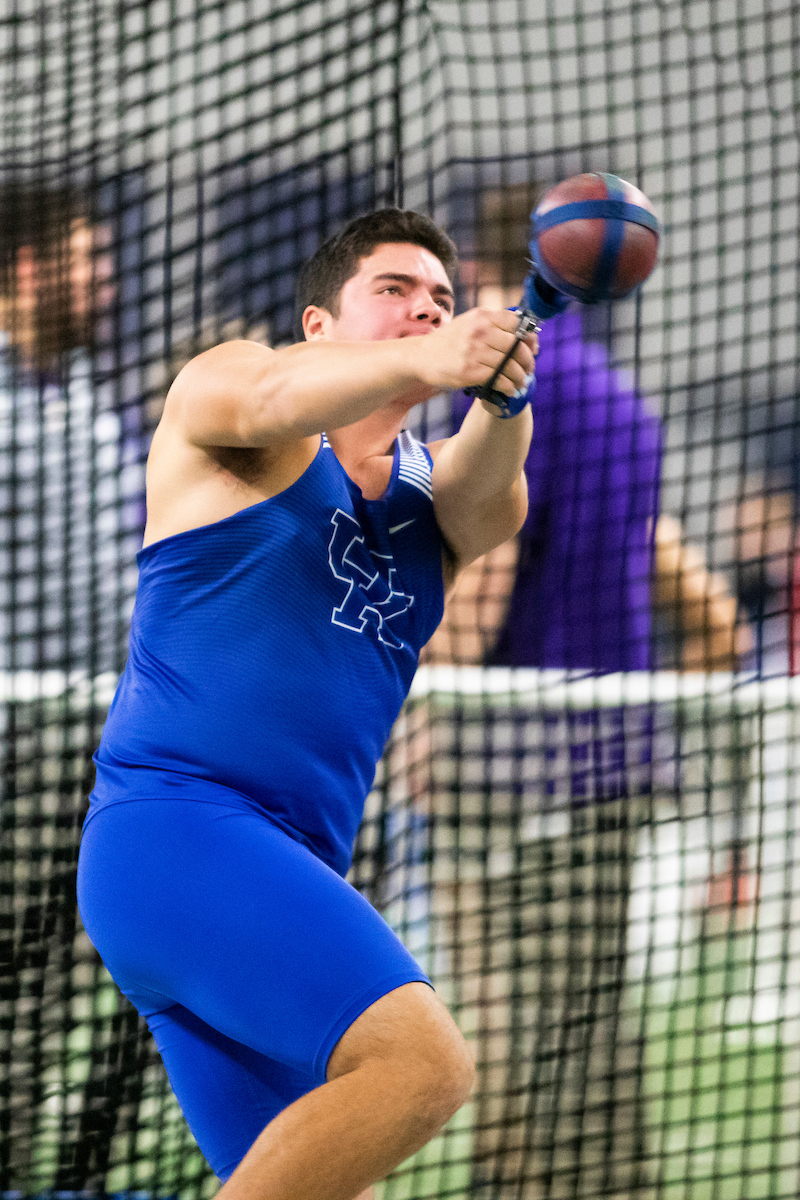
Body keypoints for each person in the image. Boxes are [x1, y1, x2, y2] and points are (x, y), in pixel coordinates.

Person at [76, 207, 540, 1200]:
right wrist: (444, 353)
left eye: (442, 300)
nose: (426, 309)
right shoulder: (233, 395)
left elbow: (493, 497)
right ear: (319, 322)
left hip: (280, 871)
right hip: (178, 838)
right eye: (394, 291)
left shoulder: (435, 503)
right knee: (426, 1068)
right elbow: (274, 392)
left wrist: (500, 395)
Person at [411, 184, 749, 1200]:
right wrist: (646, 706)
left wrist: (428, 718)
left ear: (482, 273)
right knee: (588, 1024)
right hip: (614, 768)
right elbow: (707, 614)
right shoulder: (627, 410)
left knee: (502, 1024)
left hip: (509, 768)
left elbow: (486, 566)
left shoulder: (508, 391)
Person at [0, 180, 133, 676]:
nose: (106, 279)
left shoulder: (84, 391)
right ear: (32, 270)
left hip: (100, 696)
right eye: (88, 257)